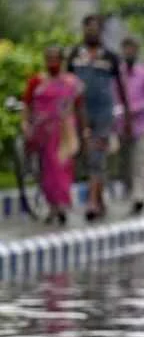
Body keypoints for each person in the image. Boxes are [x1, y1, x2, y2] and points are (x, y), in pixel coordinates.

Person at [66, 14, 131, 221]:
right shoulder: (75, 54)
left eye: (95, 28)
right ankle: (99, 198)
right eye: (88, 28)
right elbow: (66, 83)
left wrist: (126, 117)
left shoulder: (110, 57)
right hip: (79, 113)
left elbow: (121, 88)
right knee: (85, 157)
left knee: (97, 156)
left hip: (103, 113)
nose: (91, 32)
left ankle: (92, 202)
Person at [21, 46, 86, 225]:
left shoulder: (72, 83)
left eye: (55, 59)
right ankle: (52, 206)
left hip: (65, 133)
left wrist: (84, 130)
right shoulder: (37, 82)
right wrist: (26, 124)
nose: (52, 63)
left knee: (61, 168)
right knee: (46, 171)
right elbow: (27, 105)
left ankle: (61, 205)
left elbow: (79, 108)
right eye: (49, 59)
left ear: (62, 61)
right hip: (42, 132)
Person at [114, 37, 144, 215]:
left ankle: (139, 197)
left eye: (132, 49)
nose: (129, 53)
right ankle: (130, 194)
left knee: (140, 163)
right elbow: (113, 97)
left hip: (141, 127)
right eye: (126, 49)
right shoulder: (117, 75)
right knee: (125, 165)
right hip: (121, 127)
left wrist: (132, 110)